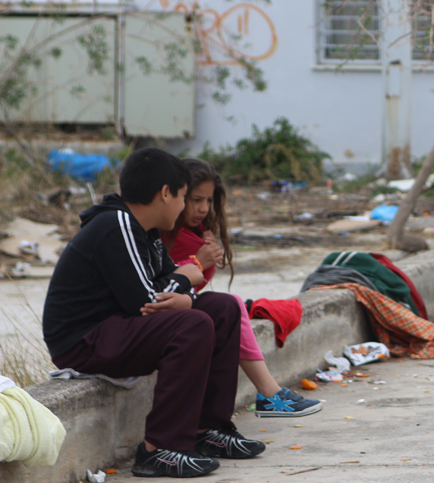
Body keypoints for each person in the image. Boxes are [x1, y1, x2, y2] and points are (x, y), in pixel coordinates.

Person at [42, 147, 266, 478]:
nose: (184, 206)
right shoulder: (116, 223)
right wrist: (185, 279)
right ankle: (159, 448)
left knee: (223, 308)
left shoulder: (146, 232)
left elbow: (166, 287)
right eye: (183, 197)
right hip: (84, 339)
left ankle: (207, 431)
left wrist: (183, 288)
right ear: (165, 193)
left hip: (120, 326)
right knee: (192, 325)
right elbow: (149, 302)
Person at [162, 158, 322, 418]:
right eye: (195, 199)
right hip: (164, 313)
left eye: (209, 201)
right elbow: (160, 281)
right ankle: (267, 395)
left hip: (184, 307)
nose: (203, 208)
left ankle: (261, 398)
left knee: (232, 305)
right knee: (231, 305)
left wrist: (204, 253)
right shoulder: (164, 233)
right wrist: (197, 261)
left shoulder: (195, 232)